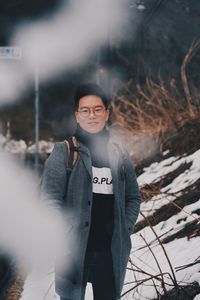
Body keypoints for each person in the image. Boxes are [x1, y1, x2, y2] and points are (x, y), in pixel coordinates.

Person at [41, 83, 141, 300]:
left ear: (106, 114)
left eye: (97, 109)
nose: (91, 115)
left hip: (110, 251)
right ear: (77, 116)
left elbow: (133, 197)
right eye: (85, 110)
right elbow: (49, 202)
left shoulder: (119, 154)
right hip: (72, 252)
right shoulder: (64, 152)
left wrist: (125, 227)